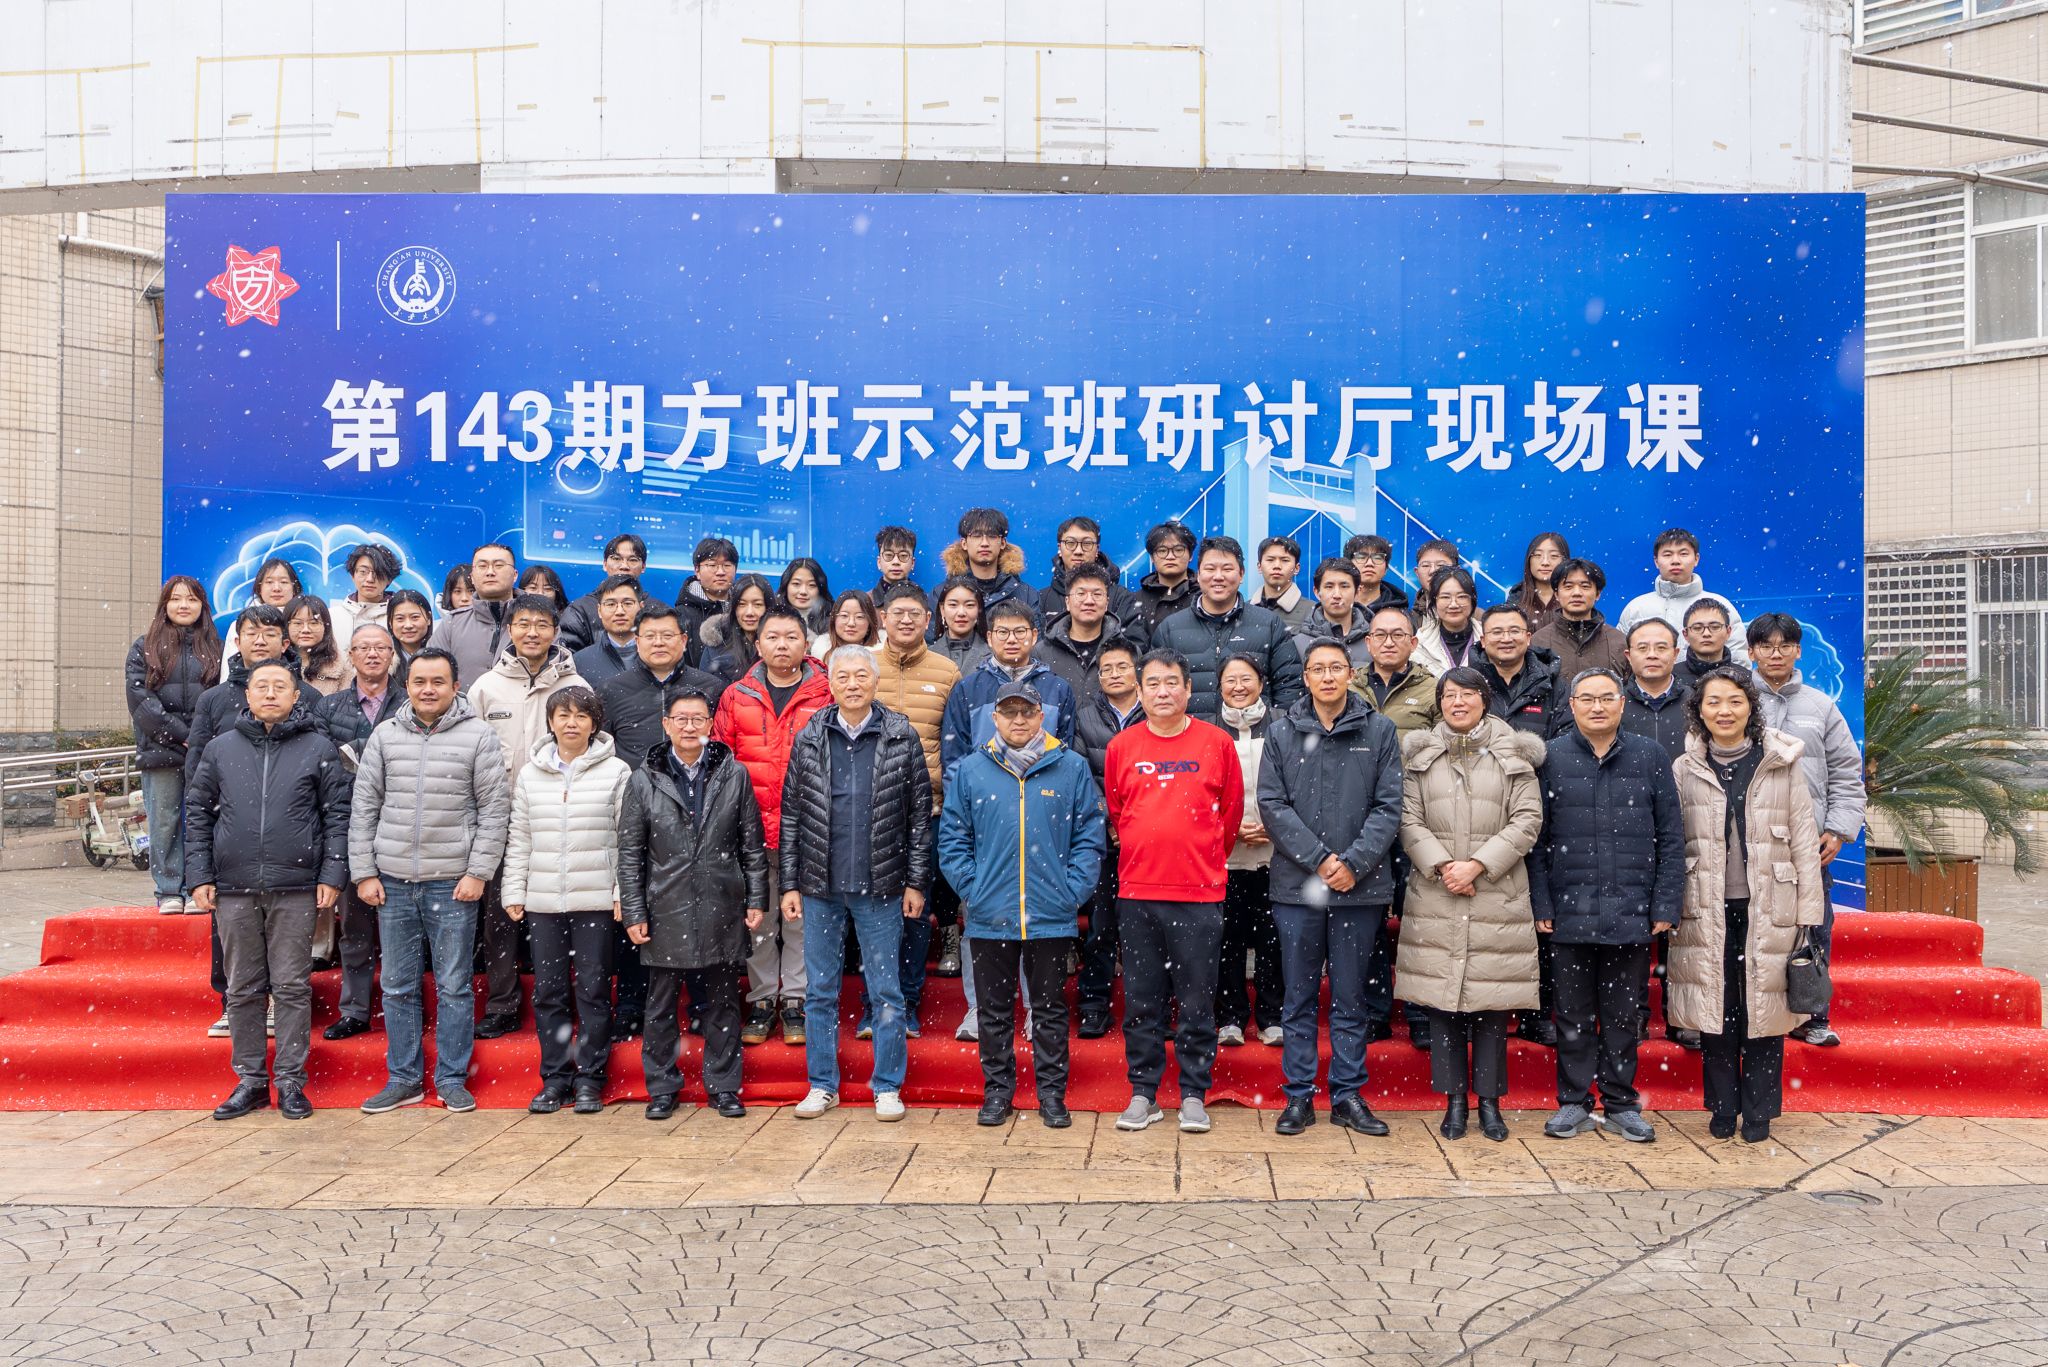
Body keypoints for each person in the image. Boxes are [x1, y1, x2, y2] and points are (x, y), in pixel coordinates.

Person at [184, 661, 349, 1122]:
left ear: (297, 696)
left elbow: (337, 815)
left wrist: (332, 875)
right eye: (262, 686)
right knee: (242, 988)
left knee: (292, 986)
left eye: (281, 687)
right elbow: (197, 813)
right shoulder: (221, 749)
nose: (271, 693)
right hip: (233, 887)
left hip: (296, 885)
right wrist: (199, 876)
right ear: (248, 695)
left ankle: (291, 1081)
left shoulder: (317, 747)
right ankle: (251, 1081)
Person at [348, 648, 511, 1115]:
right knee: (397, 985)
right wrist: (364, 872)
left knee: (454, 985)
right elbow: (365, 807)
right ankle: (403, 1078)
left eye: (438, 681)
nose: (428, 689)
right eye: (419, 681)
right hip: (393, 881)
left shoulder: (478, 736)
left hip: (452, 882)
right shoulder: (385, 735)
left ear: (456, 687)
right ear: (407, 685)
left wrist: (478, 872)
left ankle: (452, 1078)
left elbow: (494, 810)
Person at [1668, 667, 1826, 1144]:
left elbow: (1803, 838)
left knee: (1765, 1011)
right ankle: (1722, 1107)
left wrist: (1809, 913)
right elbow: (1672, 843)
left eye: (1735, 701)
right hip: (1706, 905)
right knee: (1716, 1010)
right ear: (1699, 711)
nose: (1724, 711)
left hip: (1770, 905)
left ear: (1750, 707)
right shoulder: (1684, 767)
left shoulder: (1780, 761)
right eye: (1713, 702)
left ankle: (1759, 1111)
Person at [938, 681, 1105, 1128]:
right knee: (993, 1011)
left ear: (1041, 717)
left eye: (1027, 712)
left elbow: (1089, 837)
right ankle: (997, 1092)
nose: (1018, 720)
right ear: (994, 718)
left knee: (1049, 1010)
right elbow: (952, 839)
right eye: (1009, 712)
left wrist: (1071, 892)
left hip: (1051, 915)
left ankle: (1052, 1094)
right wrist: (973, 889)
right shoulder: (973, 770)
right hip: (989, 914)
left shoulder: (1070, 767)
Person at [1529, 667, 1685, 1144]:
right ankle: (1573, 1102)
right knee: (1571, 1013)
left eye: (1605, 698)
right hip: (1569, 907)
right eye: (1587, 698)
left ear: (1621, 704)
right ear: (1572, 706)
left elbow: (1671, 837)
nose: (1597, 707)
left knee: (1622, 1015)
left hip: (1631, 907)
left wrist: (1665, 903)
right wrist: (1541, 901)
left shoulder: (1649, 755)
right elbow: (1536, 840)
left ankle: (1620, 1103)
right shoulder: (1552, 757)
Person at [782, 646, 934, 1122]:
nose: (852, 684)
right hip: (820, 883)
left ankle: (887, 1085)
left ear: (875, 680)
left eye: (860, 676)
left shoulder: (900, 735)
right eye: (843, 676)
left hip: (882, 884)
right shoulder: (810, 737)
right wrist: (789, 883)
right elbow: (792, 816)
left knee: (886, 991)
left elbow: (919, 817)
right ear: (830, 683)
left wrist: (915, 882)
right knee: (820, 991)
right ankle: (822, 1084)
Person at [1259, 640, 1403, 1138]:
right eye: (1317, 669)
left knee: (1350, 996)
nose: (1326, 677)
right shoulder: (1282, 732)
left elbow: (1389, 805)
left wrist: (1354, 862)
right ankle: (1299, 1095)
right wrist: (1319, 859)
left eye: (1335, 668)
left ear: (1350, 674)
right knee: (1298, 995)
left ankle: (1347, 1095)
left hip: (1359, 887)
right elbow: (1272, 804)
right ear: (1304, 677)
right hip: (1298, 886)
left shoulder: (1379, 730)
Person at [1396, 667, 1546, 1143]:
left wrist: (1478, 865)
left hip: (1495, 892)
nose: (1457, 703)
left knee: (1491, 1006)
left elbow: (1528, 819)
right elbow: (1407, 819)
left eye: (1467, 694)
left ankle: (1491, 1103)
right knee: (1443, 1006)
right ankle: (1454, 1101)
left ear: (1485, 699)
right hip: (1437, 891)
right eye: (1449, 695)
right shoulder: (1421, 755)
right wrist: (1444, 866)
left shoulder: (1513, 752)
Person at [1104, 648, 1243, 1135]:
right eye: (1153, 684)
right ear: (1140, 691)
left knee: (1197, 1000)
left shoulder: (1216, 742)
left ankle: (1193, 1094)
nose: (1162, 692)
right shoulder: (1122, 746)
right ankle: (1143, 1093)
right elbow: (1119, 812)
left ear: (1187, 689)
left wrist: (1200, 857)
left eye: (1171, 683)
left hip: (1199, 894)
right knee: (1142, 1000)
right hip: (1138, 892)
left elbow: (1229, 814)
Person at [619, 685, 766, 1121]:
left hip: (722, 899)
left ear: (710, 725)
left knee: (723, 1002)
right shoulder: (645, 778)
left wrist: (757, 898)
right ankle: (663, 1087)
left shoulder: (733, 774)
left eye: (697, 719)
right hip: (664, 903)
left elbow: (752, 845)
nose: (688, 727)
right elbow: (630, 853)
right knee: (660, 1005)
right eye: (680, 719)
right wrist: (634, 910)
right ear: (666, 724)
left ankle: (724, 1086)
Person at [599, 602, 727, 1037]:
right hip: (640, 813)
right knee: (639, 909)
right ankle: (632, 1004)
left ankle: (703, 1004)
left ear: (684, 641)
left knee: (699, 910)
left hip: (700, 813)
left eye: (668, 635)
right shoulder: (613, 689)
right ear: (636, 641)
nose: (659, 642)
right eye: (650, 635)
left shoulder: (709, 687)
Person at [501, 685, 631, 1115]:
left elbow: (625, 839)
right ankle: (555, 1079)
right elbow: (520, 837)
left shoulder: (616, 771)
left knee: (593, 990)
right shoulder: (531, 773)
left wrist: (622, 892)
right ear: (551, 722)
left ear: (595, 724)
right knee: (549, 992)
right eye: (563, 715)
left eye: (581, 716)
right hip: (543, 902)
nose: (571, 723)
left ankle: (590, 1077)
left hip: (595, 901)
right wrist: (514, 889)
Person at [467, 593, 588, 1040]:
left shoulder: (577, 685)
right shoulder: (486, 688)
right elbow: (469, 755)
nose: (532, 632)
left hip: (561, 819)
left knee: (558, 917)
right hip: (500, 821)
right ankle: (503, 1004)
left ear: (555, 631)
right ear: (510, 630)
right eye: (523, 624)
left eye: (541, 624)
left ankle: (559, 1004)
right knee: (500, 918)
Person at [715, 607, 833, 1045]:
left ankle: (797, 1000)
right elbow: (720, 762)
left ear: (806, 643)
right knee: (759, 918)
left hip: (809, 831)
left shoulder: (827, 694)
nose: (782, 645)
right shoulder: (737, 696)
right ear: (758, 643)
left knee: (803, 920)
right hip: (752, 831)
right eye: (773, 637)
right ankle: (763, 999)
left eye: (791, 637)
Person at [1749, 613, 1866, 1049]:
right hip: (1753, 839)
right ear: (1751, 651)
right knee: (1755, 930)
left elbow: (1847, 772)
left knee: (1813, 928)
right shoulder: (1737, 702)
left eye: (1785, 645)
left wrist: (1838, 829)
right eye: (1766, 646)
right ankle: (1755, 1015)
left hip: (1809, 842)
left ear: (1798, 651)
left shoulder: (1821, 706)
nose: (1775, 654)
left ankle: (1814, 1016)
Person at [868, 584, 960, 1035]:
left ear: (929, 620)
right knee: (872, 912)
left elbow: (954, 741)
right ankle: (874, 1003)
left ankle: (906, 1002)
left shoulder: (947, 671)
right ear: (882, 618)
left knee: (916, 909)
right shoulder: (863, 666)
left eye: (915, 614)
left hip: (929, 811)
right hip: (870, 813)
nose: (906, 621)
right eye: (898, 613)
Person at [1351, 603, 1440, 1049]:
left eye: (1398, 634)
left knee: (1418, 916)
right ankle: (1374, 1011)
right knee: (1367, 916)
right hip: (1360, 818)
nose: (1388, 642)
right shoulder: (1349, 686)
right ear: (1367, 643)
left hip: (1416, 816)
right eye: (1380, 635)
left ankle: (1421, 1012)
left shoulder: (1434, 689)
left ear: (1414, 642)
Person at [312, 624, 403, 1040]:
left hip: (403, 825)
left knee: (405, 924)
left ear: (392, 654)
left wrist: (360, 761)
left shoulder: (410, 703)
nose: (372, 654)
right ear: (350, 655)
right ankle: (355, 1009)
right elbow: (324, 766)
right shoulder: (329, 708)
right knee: (355, 925)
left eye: (380, 647)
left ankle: (405, 1008)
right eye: (363, 648)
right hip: (349, 826)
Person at [125, 575, 223, 915]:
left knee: (206, 819)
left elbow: (221, 698)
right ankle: (168, 889)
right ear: (165, 604)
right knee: (164, 820)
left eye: (192, 599)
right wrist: (182, 734)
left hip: (206, 751)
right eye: (176, 599)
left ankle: (200, 887)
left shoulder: (217, 647)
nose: (184, 605)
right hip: (160, 750)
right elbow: (140, 701)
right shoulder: (144, 646)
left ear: (202, 606)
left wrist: (199, 737)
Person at [1073, 640, 1146, 1038]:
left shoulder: (1155, 714)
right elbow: (1081, 776)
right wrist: (1112, 821)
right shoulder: (1085, 718)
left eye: (1122, 666)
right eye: (1106, 669)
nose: (1114, 674)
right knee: (1101, 926)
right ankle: (1093, 1004)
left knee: (1145, 928)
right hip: (1102, 839)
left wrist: (1135, 825)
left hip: (1148, 841)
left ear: (1137, 672)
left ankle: (1147, 1007)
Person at [1152, 535, 1305, 722]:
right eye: (1210, 569)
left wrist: (1275, 730)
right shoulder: (1170, 628)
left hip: (1254, 736)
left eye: (1227, 569)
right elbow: (1156, 688)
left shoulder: (1269, 623)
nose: (1218, 576)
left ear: (1241, 574)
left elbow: (1289, 687)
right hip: (1190, 735)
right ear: (1198, 574)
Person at [1216, 656, 1282, 1049]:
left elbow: (1293, 786)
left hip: (1274, 853)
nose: (1238, 687)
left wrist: (1273, 827)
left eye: (1246, 678)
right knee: (1229, 940)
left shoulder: (1282, 726)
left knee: (1273, 939)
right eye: (1230, 680)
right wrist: (1230, 828)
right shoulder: (1209, 729)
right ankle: (1230, 1017)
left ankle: (1273, 1016)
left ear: (1261, 682)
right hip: (1226, 855)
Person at [940, 601, 1079, 773]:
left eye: (1020, 631)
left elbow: (1065, 756)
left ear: (1034, 636)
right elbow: (954, 759)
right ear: (989, 638)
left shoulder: (1057, 689)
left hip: (1043, 787)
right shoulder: (967, 689)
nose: (1011, 639)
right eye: (1002, 632)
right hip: (982, 787)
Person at [1617, 528, 1749, 665]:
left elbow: (1739, 659)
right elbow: (1621, 660)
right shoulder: (1636, 608)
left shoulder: (1720, 605)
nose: (1675, 561)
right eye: (1667, 555)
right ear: (1656, 561)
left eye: (1683, 554)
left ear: (1696, 559)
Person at [1034, 563, 1143, 701]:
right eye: (1081, 594)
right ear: (1067, 602)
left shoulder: (1128, 652)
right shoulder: (1041, 653)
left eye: (1097, 594)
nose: (1089, 601)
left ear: (1107, 603)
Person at [428, 542, 519, 689]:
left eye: (498, 565)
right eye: (482, 566)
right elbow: (430, 676)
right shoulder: (452, 623)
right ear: (472, 577)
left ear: (515, 575)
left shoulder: (539, 620)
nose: (490, 572)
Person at [1474, 604, 1566, 739]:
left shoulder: (1554, 685)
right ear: (1483, 640)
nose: (1506, 639)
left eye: (1515, 631)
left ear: (1528, 638)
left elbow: (1565, 738)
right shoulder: (1466, 683)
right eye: (1497, 632)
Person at [1531, 558, 1628, 684]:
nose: (1576, 593)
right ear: (1556, 594)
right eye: (1568, 586)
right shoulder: (1538, 641)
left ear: (1598, 594)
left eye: (1585, 586)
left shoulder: (1619, 642)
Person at [1038, 515, 1141, 629]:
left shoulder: (1120, 598)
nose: (1078, 551)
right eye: (1070, 543)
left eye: (1087, 543)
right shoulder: (1042, 599)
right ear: (1059, 548)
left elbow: (1133, 638)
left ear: (1097, 549)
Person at [941, 507, 1035, 620]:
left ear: (1003, 543)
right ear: (964, 543)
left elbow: (1036, 630)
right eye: (976, 536)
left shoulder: (1026, 595)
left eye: (992, 536)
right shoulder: (942, 593)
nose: (984, 543)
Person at [559, 534, 647, 651]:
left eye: (633, 560)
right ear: (604, 564)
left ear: (643, 567)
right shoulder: (579, 611)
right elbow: (569, 658)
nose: (624, 566)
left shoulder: (656, 610)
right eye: (616, 559)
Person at [1621, 619, 1691, 761]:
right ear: (1629, 656)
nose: (1652, 655)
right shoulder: (1614, 703)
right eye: (1642, 648)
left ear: (1675, 654)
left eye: (1661, 648)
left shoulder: (1695, 701)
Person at [219, 556, 303, 664]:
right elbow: (229, 669)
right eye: (269, 582)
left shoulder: (306, 623)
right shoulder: (240, 625)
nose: (276, 588)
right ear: (259, 588)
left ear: (294, 588)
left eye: (283, 582)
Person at [569, 573, 647, 689]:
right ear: (599, 610)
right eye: (611, 604)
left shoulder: (659, 654)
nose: (619, 611)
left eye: (627, 603)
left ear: (641, 607)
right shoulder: (580, 661)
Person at [697, 574, 775, 685]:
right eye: (742, 604)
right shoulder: (717, 643)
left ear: (768, 608)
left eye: (757, 604)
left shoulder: (780, 646)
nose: (749, 612)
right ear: (734, 608)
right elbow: (705, 690)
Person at [1295, 557, 1372, 667]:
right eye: (1329, 586)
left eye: (1344, 586)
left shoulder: (1375, 640)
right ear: (1317, 592)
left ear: (1357, 591)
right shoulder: (1297, 644)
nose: (1337, 595)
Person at [674, 536, 739, 657]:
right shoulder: (681, 614)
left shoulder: (742, 610)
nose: (720, 572)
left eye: (727, 565)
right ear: (697, 570)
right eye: (712, 565)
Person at [332, 542, 402, 648]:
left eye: (378, 573)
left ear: (389, 579)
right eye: (363, 571)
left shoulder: (400, 617)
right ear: (352, 575)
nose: (370, 579)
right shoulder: (333, 616)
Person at [1413, 567, 1481, 676]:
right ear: (1434, 602)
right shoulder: (1420, 643)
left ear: (1472, 601)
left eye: (1461, 597)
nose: (1453, 604)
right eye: (1445, 597)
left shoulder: (1489, 639)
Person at [1133, 521, 1197, 630]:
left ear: (1191, 555)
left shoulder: (1203, 596)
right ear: (1152, 558)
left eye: (1178, 550)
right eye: (1162, 551)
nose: (1170, 556)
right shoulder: (1135, 600)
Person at [286, 595, 350, 695]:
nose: (306, 630)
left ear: (325, 627)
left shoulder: (341, 671)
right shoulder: (274, 665)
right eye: (298, 623)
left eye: (313, 623)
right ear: (286, 626)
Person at [1507, 532, 1570, 631]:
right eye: (1537, 555)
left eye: (1553, 556)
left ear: (1564, 561)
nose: (1545, 562)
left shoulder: (1573, 596)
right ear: (1529, 560)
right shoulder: (1517, 596)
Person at [932, 574, 992, 675]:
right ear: (942, 609)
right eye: (953, 605)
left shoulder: (994, 656)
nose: (961, 613)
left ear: (979, 609)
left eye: (969, 605)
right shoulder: (926, 656)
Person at [1254, 535, 1314, 630]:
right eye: (1270, 560)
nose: (1277, 566)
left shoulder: (1313, 612)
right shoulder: (1243, 610)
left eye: (1285, 560)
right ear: (1259, 567)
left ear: (1296, 568)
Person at [1345, 534, 1409, 621]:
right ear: (1348, 565)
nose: (1369, 563)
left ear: (1386, 569)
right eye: (1361, 557)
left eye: (1378, 558)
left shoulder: (1400, 613)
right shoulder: (1335, 604)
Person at [1680, 597, 1739, 684]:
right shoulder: (1670, 678)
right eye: (1697, 628)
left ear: (1728, 631)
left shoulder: (1743, 678)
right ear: (1685, 634)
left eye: (1715, 627)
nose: (1706, 633)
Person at [812, 589, 879, 662]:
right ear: (834, 620)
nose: (851, 623)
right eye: (844, 615)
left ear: (870, 623)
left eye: (859, 617)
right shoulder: (817, 658)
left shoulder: (880, 658)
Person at [386, 589, 435, 687]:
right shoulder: (383, 660)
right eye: (400, 619)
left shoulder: (443, 655)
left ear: (428, 618)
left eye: (415, 617)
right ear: (390, 623)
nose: (408, 625)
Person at [780, 557, 833, 638]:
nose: (803, 591)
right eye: (796, 584)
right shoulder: (770, 619)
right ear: (786, 585)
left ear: (820, 589)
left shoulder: (833, 623)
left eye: (811, 585)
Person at [871, 525, 924, 605]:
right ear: (879, 562)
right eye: (889, 555)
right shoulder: (865, 604)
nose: (896, 562)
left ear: (912, 563)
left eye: (903, 555)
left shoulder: (924, 602)